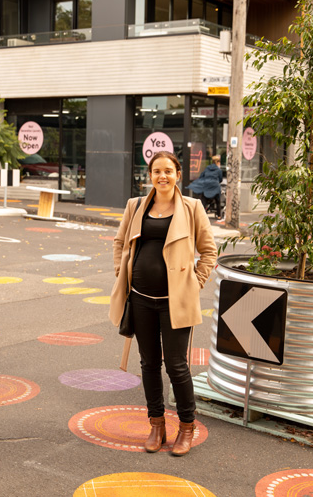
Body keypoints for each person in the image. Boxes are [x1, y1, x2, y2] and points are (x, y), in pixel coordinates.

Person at [110, 151, 217, 456]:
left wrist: (195, 283)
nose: (162, 176)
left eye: (168, 171)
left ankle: (186, 426)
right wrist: (122, 272)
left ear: (178, 174)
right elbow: (120, 243)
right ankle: (156, 424)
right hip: (141, 300)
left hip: (175, 302)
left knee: (177, 366)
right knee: (148, 364)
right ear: (150, 175)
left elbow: (209, 251)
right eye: (157, 171)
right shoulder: (136, 206)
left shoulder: (192, 207)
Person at [187, 155, 224, 220]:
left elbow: (201, 177)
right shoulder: (218, 170)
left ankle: (200, 216)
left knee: (203, 202)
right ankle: (219, 215)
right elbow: (220, 180)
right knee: (218, 201)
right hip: (215, 187)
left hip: (206, 187)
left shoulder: (207, 168)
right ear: (218, 162)